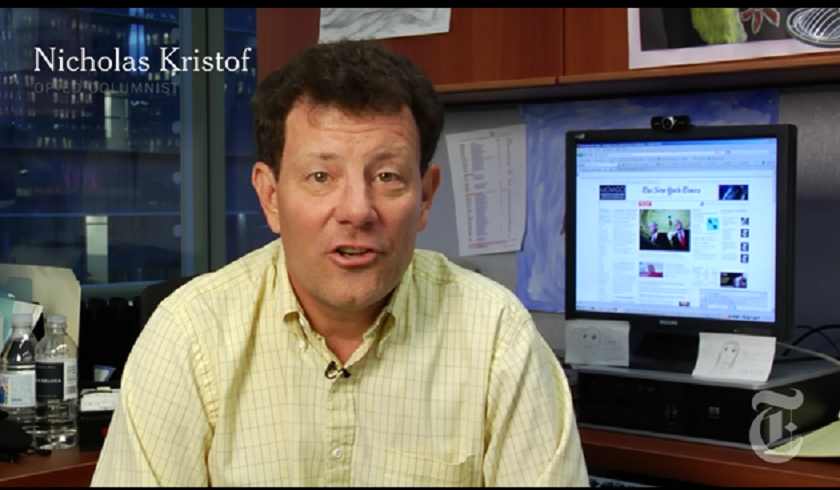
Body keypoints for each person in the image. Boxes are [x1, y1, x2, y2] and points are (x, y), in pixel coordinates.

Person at [90, 39, 588, 487]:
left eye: (388, 176)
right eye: (321, 176)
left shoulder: (497, 336)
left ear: (425, 196)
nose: (356, 210)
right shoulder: (189, 334)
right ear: (270, 196)